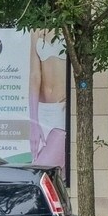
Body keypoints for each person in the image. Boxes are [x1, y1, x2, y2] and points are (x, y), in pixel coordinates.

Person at [31, 35, 68, 168]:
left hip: (62, 109)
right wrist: (33, 122)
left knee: (43, 167)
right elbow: (34, 76)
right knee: (46, 167)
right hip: (42, 109)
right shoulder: (36, 29)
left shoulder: (68, 27)